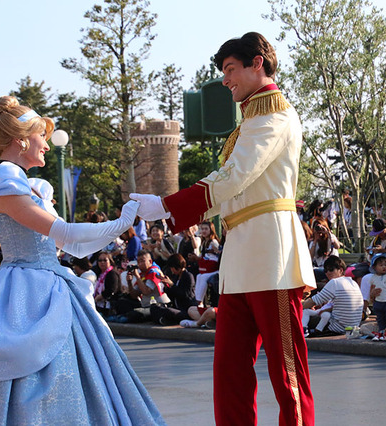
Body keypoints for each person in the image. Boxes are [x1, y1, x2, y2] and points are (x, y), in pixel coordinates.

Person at [0, 96, 163, 424]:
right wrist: (122, 222)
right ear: (21, 140)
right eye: (42, 137)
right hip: (23, 289)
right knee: (18, 366)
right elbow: (62, 229)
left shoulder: (27, 184)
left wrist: (126, 222)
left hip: (50, 281)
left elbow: (72, 246)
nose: (48, 146)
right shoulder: (3, 179)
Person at [131, 32, 315, 425]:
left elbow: (235, 177)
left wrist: (167, 205)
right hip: (241, 258)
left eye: (230, 69)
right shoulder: (250, 122)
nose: (225, 79)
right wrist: (175, 209)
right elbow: (230, 189)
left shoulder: (275, 117)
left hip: (273, 255)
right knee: (229, 370)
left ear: (257, 64)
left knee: (288, 374)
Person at [302, 256, 363, 337]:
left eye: (331, 269)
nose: (328, 273)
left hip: (336, 327)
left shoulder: (335, 282)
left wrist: (296, 305)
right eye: (325, 270)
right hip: (352, 327)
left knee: (303, 313)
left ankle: (303, 333)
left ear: (341, 270)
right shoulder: (353, 283)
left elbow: (312, 302)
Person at [151, 253, 197, 325]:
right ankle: (165, 319)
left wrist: (172, 284)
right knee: (154, 307)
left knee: (169, 311)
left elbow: (185, 295)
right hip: (176, 307)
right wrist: (166, 285)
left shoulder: (188, 276)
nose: (171, 270)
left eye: (172, 268)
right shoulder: (176, 277)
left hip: (186, 309)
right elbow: (173, 296)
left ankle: (167, 319)